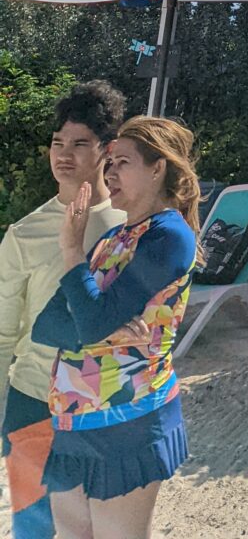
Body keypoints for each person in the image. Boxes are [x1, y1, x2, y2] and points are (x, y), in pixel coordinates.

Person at [32, 117, 200, 539]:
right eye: (108, 164)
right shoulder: (113, 240)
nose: (109, 174)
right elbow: (46, 324)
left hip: (128, 423)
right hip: (74, 421)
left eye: (122, 162)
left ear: (157, 167)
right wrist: (100, 329)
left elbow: (88, 320)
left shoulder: (169, 237)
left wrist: (71, 249)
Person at [0, 82, 126, 539]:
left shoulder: (131, 229)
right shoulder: (24, 233)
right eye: (58, 143)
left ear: (107, 150)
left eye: (79, 143)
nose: (64, 154)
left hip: (104, 406)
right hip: (32, 401)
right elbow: (2, 334)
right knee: (34, 529)